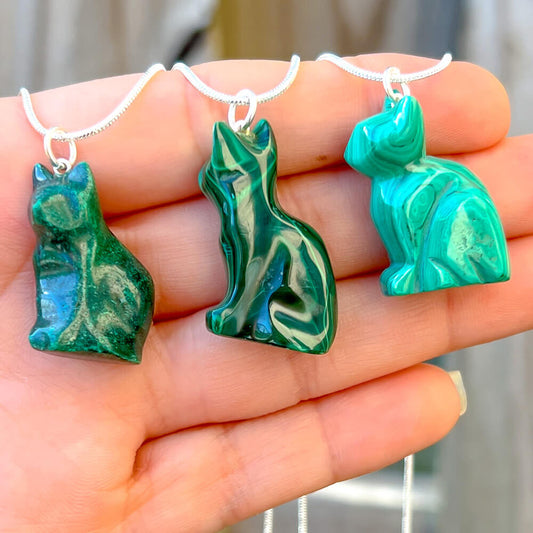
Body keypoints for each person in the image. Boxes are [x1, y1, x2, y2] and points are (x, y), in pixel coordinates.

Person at [0, 53, 530, 531]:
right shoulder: (242, 216)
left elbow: (254, 272)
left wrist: (236, 316)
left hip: (298, 320)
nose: (213, 186)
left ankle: (410, 275)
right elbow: (245, 271)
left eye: (226, 179)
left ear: (256, 171)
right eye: (216, 178)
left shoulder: (258, 219)